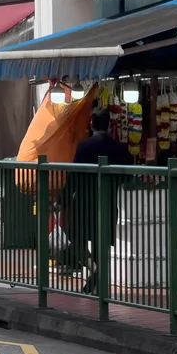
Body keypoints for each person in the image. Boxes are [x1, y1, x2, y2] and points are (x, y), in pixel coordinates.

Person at [67, 107, 133, 293]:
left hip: (84, 202)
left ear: (91, 124)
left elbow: (73, 175)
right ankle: (98, 282)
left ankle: (94, 272)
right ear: (109, 124)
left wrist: (63, 199)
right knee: (101, 244)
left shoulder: (84, 146)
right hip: (109, 202)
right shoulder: (119, 149)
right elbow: (127, 176)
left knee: (76, 241)